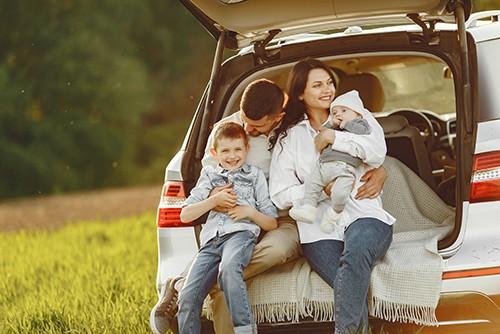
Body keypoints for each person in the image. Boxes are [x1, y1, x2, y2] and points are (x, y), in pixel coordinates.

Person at [150, 78, 387, 334]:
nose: (248, 130)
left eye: (256, 127)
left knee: (276, 250)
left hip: (279, 218)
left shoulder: (293, 131)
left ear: (277, 118)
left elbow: (348, 153)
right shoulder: (224, 131)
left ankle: (201, 282)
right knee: (226, 263)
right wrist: (218, 195)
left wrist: (381, 169)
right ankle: (200, 282)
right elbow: (209, 178)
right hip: (234, 216)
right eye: (245, 121)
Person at [269, 58, 395, 334]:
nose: (327, 89)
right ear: (301, 93)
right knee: (347, 280)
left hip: (366, 214)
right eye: (317, 85)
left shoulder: (358, 116)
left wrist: (334, 138)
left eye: (329, 82)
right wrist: (317, 189)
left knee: (355, 257)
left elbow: (376, 153)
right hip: (318, 229)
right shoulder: (289, 138)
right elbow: (279, 195)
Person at [177, 121, 279, 334]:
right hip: (210, 243)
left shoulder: (254, 175)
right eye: (225, 151)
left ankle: (244, 329)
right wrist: (214, 200)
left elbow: (272, 222)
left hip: (239, 236)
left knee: (230, 268)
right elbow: (186, 214)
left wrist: (249, 212)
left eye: (237, 150)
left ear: (246, 149)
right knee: (187, 296)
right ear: (215, 152)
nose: (232, 156)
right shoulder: (209, 176)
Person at [289, 90, 372, 234]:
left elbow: (363, 131)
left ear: (358, 114)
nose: (338, 115)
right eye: (334, 112)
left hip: (344, 168)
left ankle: (333, 214)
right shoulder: (333, 125)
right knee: (311, 184)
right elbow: (322, 132)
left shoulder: (360, 123)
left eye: (344, 110)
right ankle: (308, 208)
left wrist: (345, 124)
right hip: (323, 165)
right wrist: (331, 124)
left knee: (340, 193)